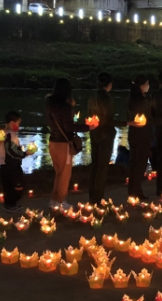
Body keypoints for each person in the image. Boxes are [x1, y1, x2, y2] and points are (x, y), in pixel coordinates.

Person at [47, 78, 93, 210]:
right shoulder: (65, 107)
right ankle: (60, 201)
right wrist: (88, 127)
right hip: (63, 144)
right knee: (65, 173)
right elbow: (69, 127)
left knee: (58, 173)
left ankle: (54, 199)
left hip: (53, 142)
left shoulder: (50, 104)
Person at [88, 72, 121, 203]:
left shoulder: (92, 98)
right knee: (102, 167)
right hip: (105, 135)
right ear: (109, 85)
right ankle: (98, 197)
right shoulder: (106, 99)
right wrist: (126, 123)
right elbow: (109, 119)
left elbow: (91, 117)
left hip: (94, 133)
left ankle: (92, 195)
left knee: (95, 165)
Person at [0, 111, 31, 212]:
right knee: (17, 184)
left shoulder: (1, 133)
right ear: (12, 123)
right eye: (18, 123)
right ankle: (11, 203)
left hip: (4, 163)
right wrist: (24, 154)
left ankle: (9, 203)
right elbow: (11, 150)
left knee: (7, 184)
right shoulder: (10, 135)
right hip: (11, 163)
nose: (18, 126)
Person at [127, 74, 152, 199]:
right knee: (140, 164)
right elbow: (149, 118)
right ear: (142, 86)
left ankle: (132, 190)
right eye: (147, 84)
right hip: (143, 135)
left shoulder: (131, 99)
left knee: (133, 163)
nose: (148, 86)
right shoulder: (144, 101)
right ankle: (136, 191)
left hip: (133, 134)